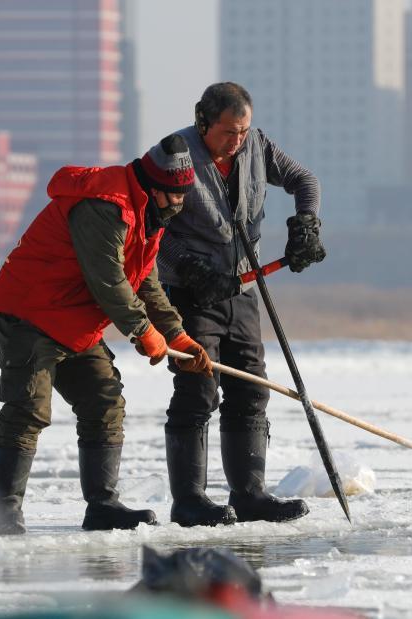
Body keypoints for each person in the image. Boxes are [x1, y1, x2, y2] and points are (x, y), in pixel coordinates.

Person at [0, 135, 213, 535]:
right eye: (175, 195)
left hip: (75, 321)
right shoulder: (106, 205)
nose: (179, 203)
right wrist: (142, 331)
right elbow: (108, 280)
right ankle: (5, 515)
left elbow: (145, 279)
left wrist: (176, 335)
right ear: (154, 186)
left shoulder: (149, 213)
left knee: (104, 400)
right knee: (27, 409)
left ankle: (103, 507)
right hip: (31, 311)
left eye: (183, 195)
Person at [156, 82, 327, 527]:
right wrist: (189, 266)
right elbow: (152, 228)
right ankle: (189, 501)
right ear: (203, 122)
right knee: (197, 389)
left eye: (243, 131)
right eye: (228, 132)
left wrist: (306, 223)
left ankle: (249, 494)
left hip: (244, 289)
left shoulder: (258, 146)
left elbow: (304, 180)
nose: (237, 141)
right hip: (192, 295)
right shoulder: (174, 155)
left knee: (252, 389)